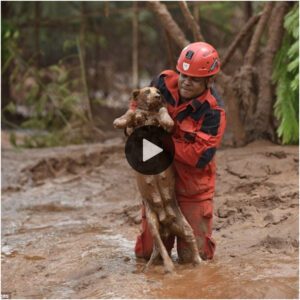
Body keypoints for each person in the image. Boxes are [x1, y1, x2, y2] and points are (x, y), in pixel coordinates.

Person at [133, 42, 226, 262]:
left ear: (209, 81)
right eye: (184, 74)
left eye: (194, 78)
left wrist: (160, 143)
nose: (185, 82)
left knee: (195, 258)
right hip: (157, 180)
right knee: (148, 255)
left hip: (192, 186)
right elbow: (138, 104)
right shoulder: (162, 83)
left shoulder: (213, 112)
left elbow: (199, 155)